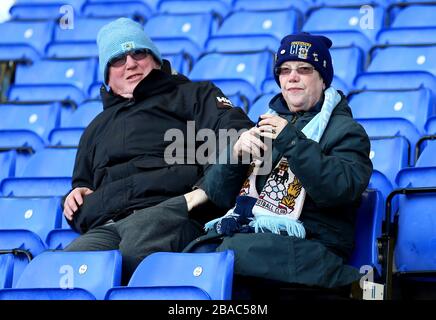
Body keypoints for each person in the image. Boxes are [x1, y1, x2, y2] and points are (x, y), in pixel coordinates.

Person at [62, 17, 253, 283]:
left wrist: (202, 192)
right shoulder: (95, 128)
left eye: (138, 52)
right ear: (107, 75)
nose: (130, 64)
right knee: (64, 270)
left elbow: (234, 132)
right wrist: (74, 197)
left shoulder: (193, 94)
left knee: (135, 258)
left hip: (171, 212)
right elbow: (81, 186)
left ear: (154, 59)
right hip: (107, 224)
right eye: (117, 59)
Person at [192, 32, 373, 298]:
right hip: (258, 237)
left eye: (304, 69)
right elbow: (218, 197)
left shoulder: (347, 131)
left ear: (323, 78)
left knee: (232, 255)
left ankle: (349, 283)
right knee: (197, 251)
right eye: (285, 70)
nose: (293, 77)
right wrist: (235, 156)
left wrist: (291, 140)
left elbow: (340, 188)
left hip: (316, 243)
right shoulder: (265, 125)